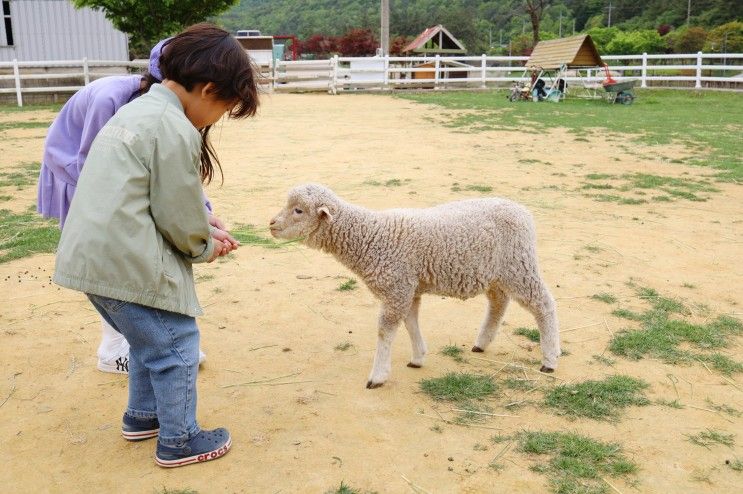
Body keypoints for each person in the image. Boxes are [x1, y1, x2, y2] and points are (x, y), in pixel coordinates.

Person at [52, 23, 259, 466]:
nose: (216, 119)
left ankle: (143, 416)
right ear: (206, 89)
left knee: (147, 343)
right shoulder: (174, 127)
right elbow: (178, 213)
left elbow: (147, 191)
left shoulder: (136, 111)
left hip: (93, 259)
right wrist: (205, 246)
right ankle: (180, 439)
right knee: (176, 344)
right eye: (223, 108)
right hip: (122, 262)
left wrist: (200, 224)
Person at [37, 38, 236, 374]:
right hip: (79, 176)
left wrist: (203, 214)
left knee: (136, 252)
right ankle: (115, 349)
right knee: (110, 259)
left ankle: (146, 340)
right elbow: (95, 166)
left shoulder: (168, 111)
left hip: (116, 182)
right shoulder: (111, 98)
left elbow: (173, 174)